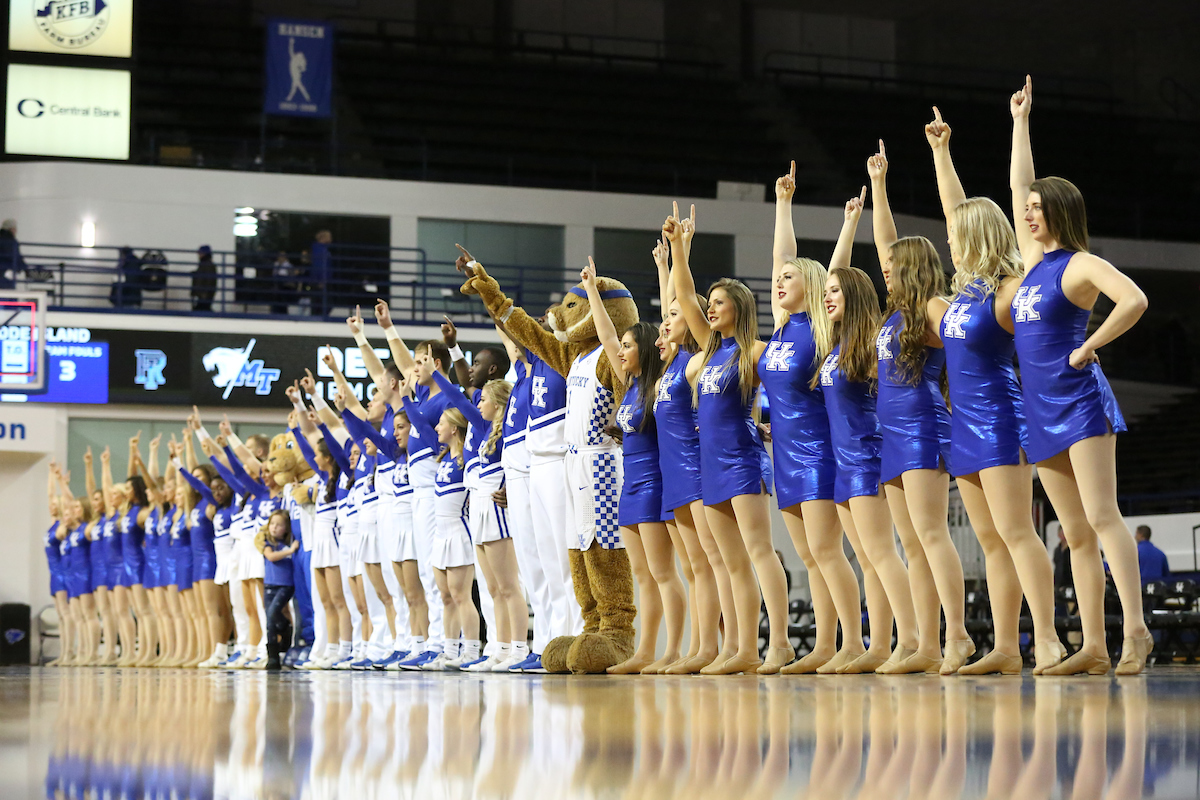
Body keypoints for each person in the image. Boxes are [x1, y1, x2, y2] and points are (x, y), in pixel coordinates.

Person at [1010, 75, 1152, 676]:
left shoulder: (1081, 264)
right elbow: (1019, 182)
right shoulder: (1033, 262)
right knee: (1072, 532)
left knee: (1102, 516)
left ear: (1062, 212)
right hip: (1039, 409)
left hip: (1080, 402)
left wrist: (1089, 346)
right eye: (1029, 210)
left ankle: (1137, 634)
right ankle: (1093, 644)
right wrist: (1020, 122)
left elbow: (1136, 300)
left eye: (1040, 209)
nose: (1030, 214)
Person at [925, 102, 1067, 676]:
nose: (950, 241)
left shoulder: (1011, 288)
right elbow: (952, 204)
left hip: (1003, 421)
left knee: (1017, 532)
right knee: (988, 542)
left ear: (979, 237)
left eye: (959, 235)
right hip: (963, 427)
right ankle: (1006, 648)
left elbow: (1018, 188)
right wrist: (940, 153)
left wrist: (1019, 125)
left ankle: (1050, 639)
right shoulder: (961, 295)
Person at [668, 203, 792, 675]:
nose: (710, 308)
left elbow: (787, 391)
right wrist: (680, 248)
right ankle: (738, 647)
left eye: (719, 302)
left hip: (743, 461)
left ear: (738, 307)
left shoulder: (755, 351)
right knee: (726, 561)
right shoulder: (708, 350)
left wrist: (773, 426)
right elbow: (684, 292)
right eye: (710, 303)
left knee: (759, 554)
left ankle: (777, 643)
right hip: (710, 467)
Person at [867, 144, 977, 674]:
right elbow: (886, 239)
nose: (885, 270)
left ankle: (957, 637)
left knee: (932, 536)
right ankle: (926, 644)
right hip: (891, 434)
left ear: (912, 269)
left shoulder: (933, 307)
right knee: (911, 542)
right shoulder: (896, 313)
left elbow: (969, 344)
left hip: (923, 427)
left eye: (893, 266)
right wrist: (881, 188)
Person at [764, 163, 865, 675]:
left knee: (829, 552)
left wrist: (848, 225)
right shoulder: (781, 328)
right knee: (810, 559)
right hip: (783, 454)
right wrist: (781, 203)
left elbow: (834, 271)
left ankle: (851, 642)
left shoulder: (821, 324)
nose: (780, 280)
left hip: (820, 451)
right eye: (777, 279)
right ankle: (825, 645)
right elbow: (783, 256)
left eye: (789, 277)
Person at [581, 262, 685, 675]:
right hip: (630, 487)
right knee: (641, 575)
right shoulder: (629, 387)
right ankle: (644, 652)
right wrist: (592, 292)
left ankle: (673, 650)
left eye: (628, 345)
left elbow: (670, 325)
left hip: (657, 486)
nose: (620, 351)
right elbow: (605, 336)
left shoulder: (660, 382)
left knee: (663, 574)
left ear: (646, 347)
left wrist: (668, 267)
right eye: (620, 345)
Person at [653, 245, 732, 675]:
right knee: (691, 566)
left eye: (675, 315)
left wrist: (680, 257)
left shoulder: (697, 359)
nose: (666, 322)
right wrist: (664, 267)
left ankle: (713, 646)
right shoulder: (670, 363)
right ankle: (701, 646)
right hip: (673, 475)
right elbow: (675, 307)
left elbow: (684, 301)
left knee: (708, 563)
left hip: (697, 469)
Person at [258, 510, 300, 670]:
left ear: (287, 528)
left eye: (279, 525)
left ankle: (286, 629)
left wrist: (290, 549)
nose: (275, 528)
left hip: (286, 585)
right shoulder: (268, 544)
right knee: (270, 621)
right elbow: (271, 557)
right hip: (270, 585)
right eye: (272, 524)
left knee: (272, 613)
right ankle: (273, 656)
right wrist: (289, 551)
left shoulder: (289, 542)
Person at [0, 218, 28, 289]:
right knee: (8, 294)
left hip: (3, 270)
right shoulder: (11, 241)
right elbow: (15, 255)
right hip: (7, 271)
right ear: (11, 229)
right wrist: (23, 267)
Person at [192, 246, 217, 312]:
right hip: (203, 294)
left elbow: (209, 280)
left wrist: (204, 293)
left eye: (200, 253)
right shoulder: (206, 264)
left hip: (204, 295)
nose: (199, 255)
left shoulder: (206, 264)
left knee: (201, 310)